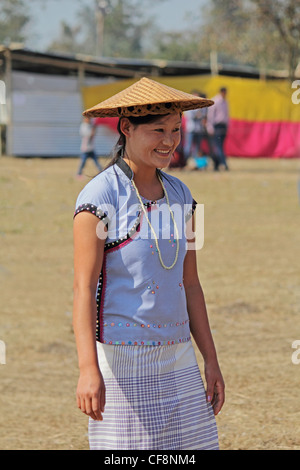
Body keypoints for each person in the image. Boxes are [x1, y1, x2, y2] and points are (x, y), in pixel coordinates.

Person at [72, 77, 225, 450]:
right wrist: (88, 369)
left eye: (175, 129)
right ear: (126, 128)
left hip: (178, 358)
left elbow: (190, 283)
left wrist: (211, 360)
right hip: (123, 361)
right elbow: (83, 289)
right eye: (158, 130)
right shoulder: (99, 196)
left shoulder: (182, 194)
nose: (170, 141)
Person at [208, 87, 230, 171]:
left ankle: (218, 164)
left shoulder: (225, 102)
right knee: (218, 146)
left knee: (220, 146)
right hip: (216, 126)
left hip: (223, 126)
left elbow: (227, 115)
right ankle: (223, 163)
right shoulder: (216, 101)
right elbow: (211, 115)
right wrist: (210, 127)